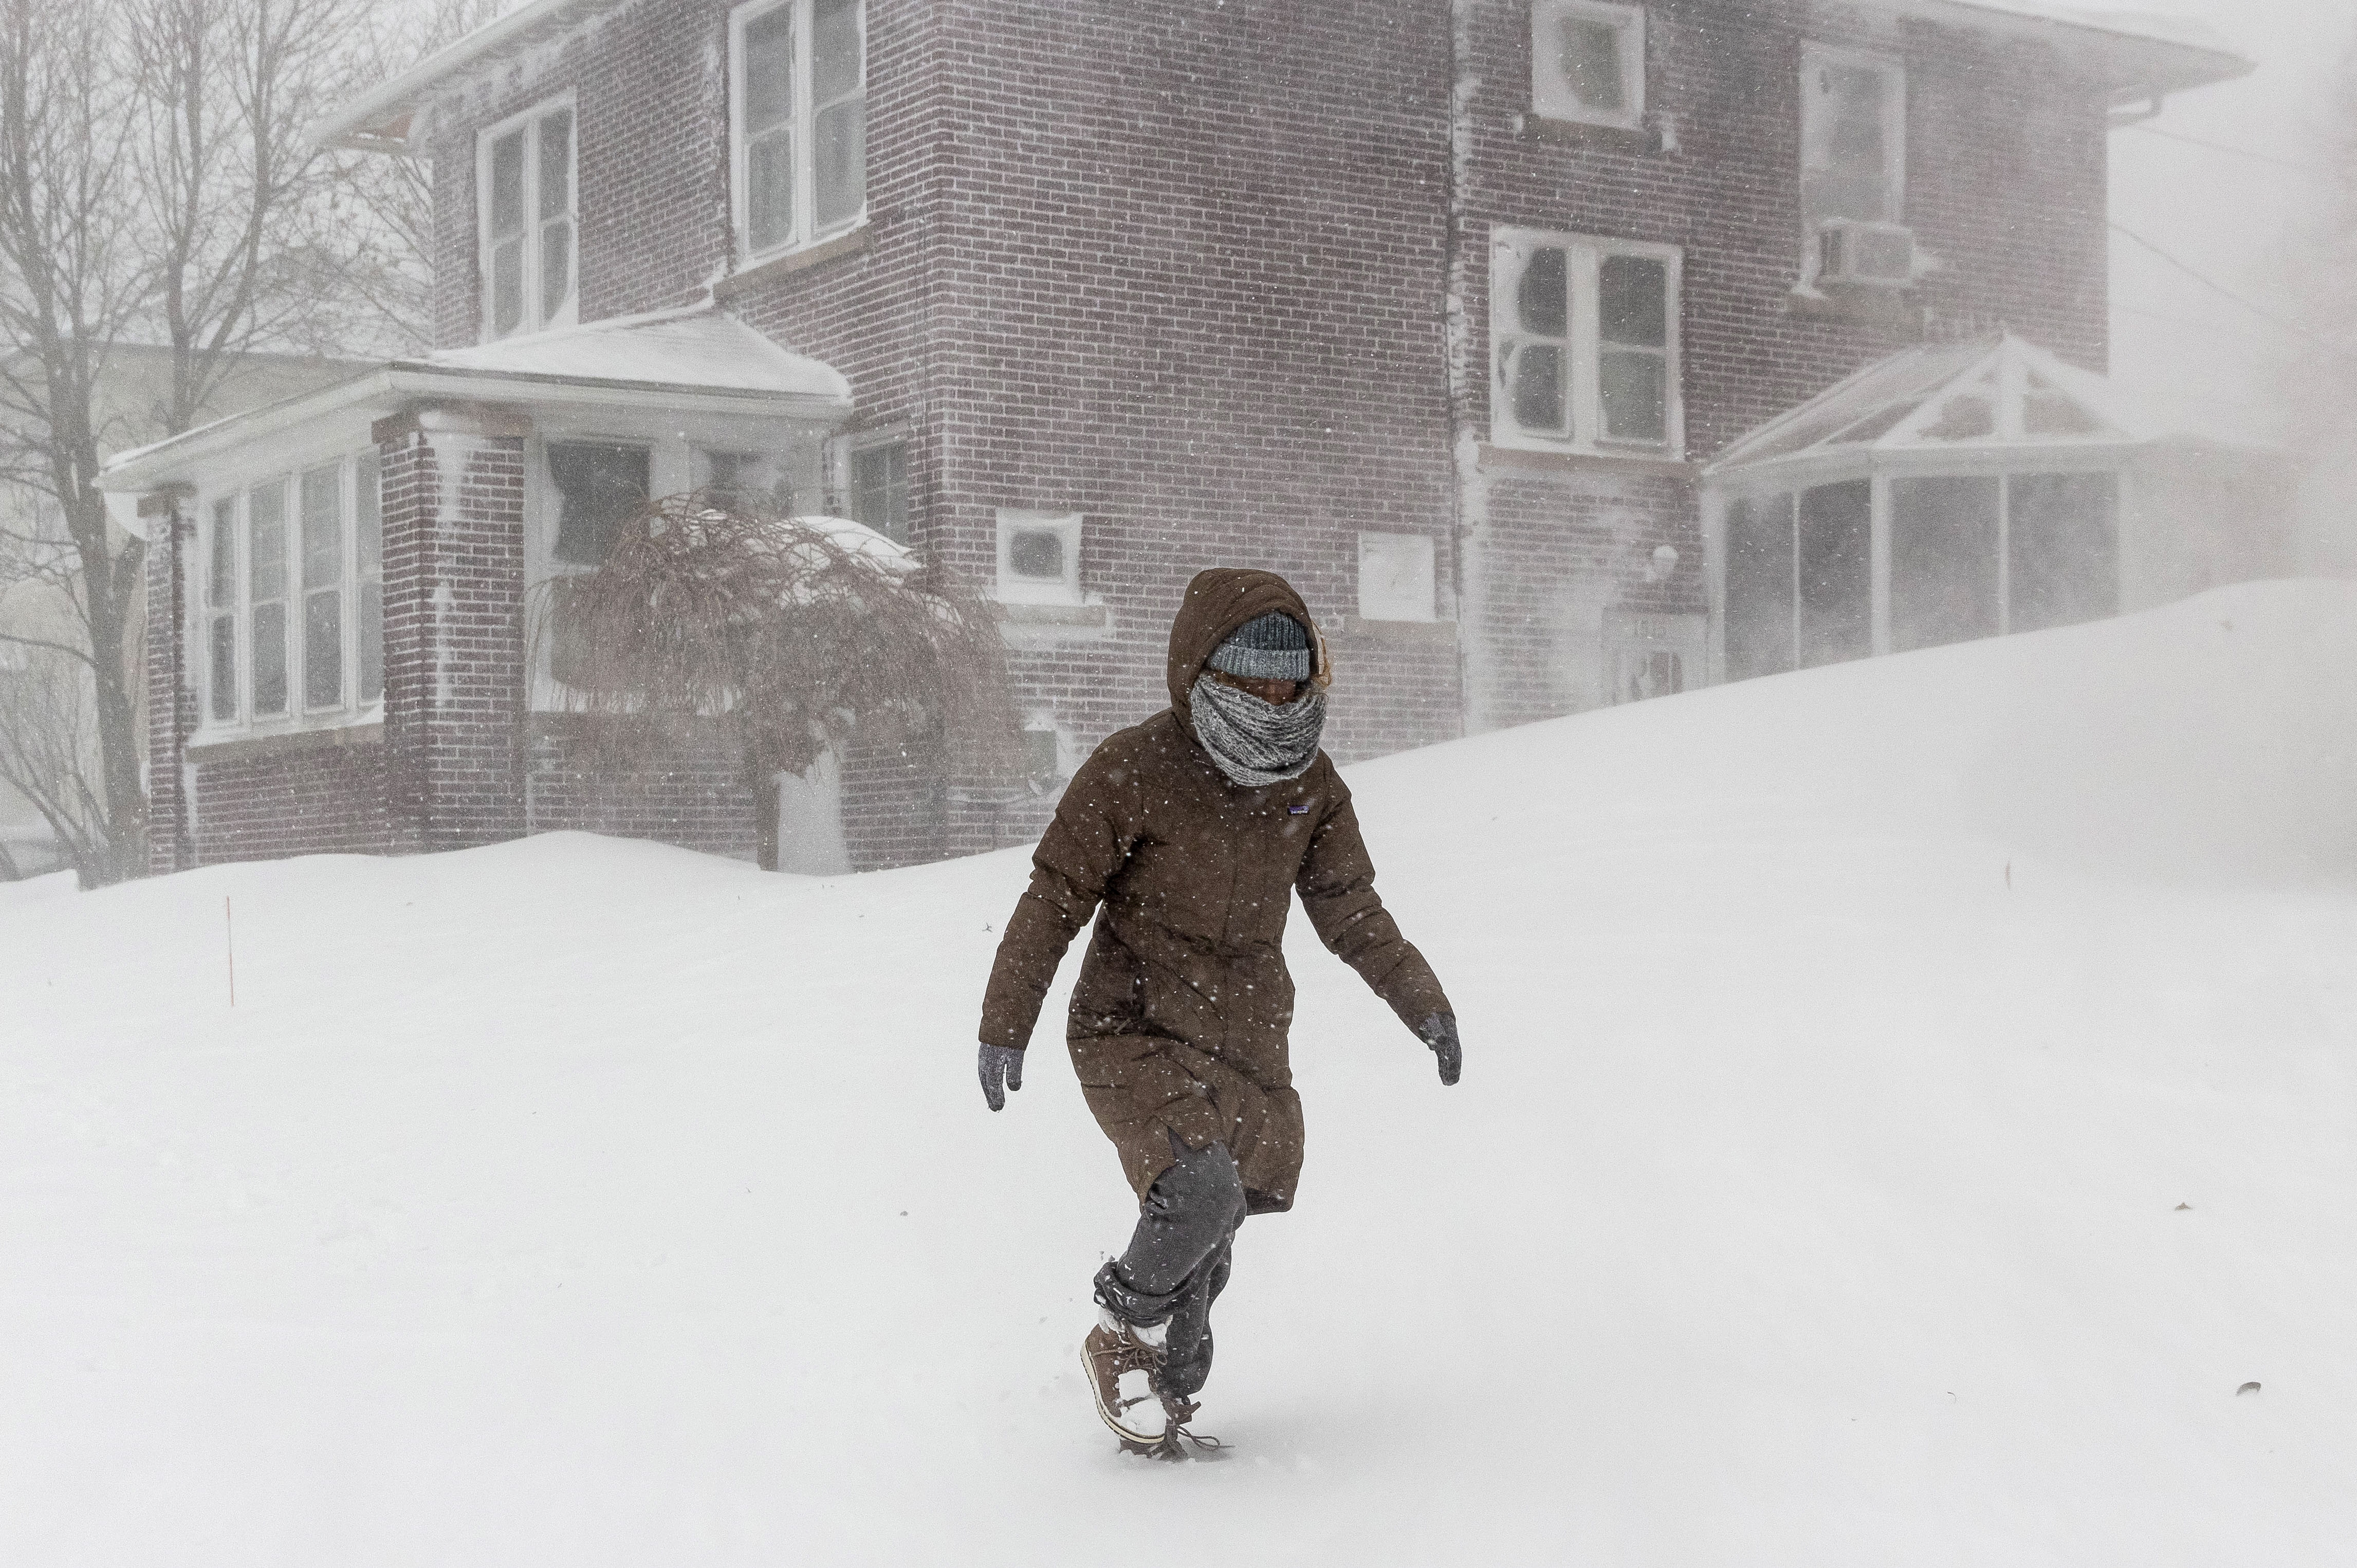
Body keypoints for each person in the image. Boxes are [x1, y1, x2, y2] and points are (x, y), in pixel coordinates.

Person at [974, 566, 1461, 1456]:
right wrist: (1006, 1020)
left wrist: (1420, 1001)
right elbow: (1054, 898)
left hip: (1242, 1038)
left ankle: (1162, 1418)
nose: (1273, 697)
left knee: (1208, 1260)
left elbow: (1350, 910)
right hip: (1132, 1030)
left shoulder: (1310, 785)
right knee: (1198, 1194)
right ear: (1203, 670)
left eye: (1288, 678)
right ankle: (1118, 1333)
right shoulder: (1133, 770)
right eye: (1250, 678)